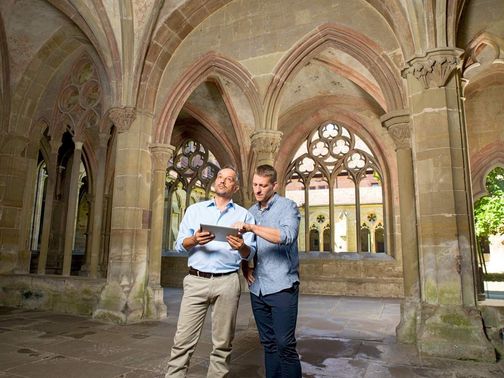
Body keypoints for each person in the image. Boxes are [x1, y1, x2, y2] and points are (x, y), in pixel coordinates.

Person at [166, 166, 256, 378]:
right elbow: (180, 244)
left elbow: (249, 253)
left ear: (235, 187)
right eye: (220, 177)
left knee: (223, 344)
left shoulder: (244, 216)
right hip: (196, 280)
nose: (223, 181)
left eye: (229, 179)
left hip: (227, 283)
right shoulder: (195, 210)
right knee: (182, 341)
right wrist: (194, 240)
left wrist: (240, 246)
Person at [235, 164, 302, 378]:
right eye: (255, 184)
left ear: (275, 185)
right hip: (258, 289)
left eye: (263, 185)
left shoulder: (288, 207)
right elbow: (247, 246)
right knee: (269, 344)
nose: (258, 190)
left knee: (285, 345)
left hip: (282, 285)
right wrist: (245, 267)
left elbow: (286, 236)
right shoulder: (251, 212)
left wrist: (252, 227)